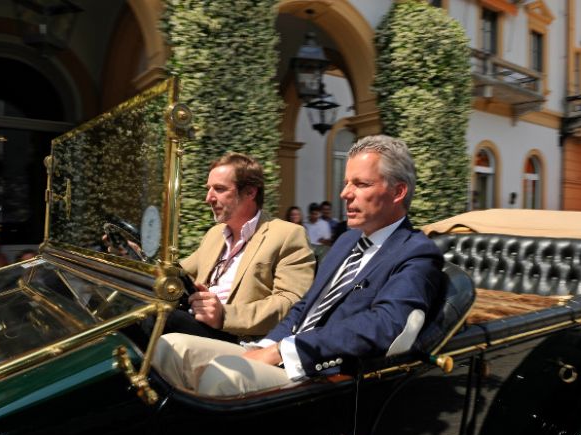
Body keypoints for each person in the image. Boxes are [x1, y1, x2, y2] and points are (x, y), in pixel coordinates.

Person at [153, 135, 446, 396]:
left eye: (361, 184)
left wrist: (283, 351)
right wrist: (265, 346)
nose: (345, 193)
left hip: (323, 374)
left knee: (224, 376)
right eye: (346, 182)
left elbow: (384, 325)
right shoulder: (347, 241)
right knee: (170, 348)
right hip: (281, 351)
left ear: (398, 192)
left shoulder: (417, 253)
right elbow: (304, 306)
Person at [159, 152, 316, 343]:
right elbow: (179, 272)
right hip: (198, 325)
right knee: (147, 310)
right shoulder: (215, 234)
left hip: (241, 339)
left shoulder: (288, 235)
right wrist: (138, 258)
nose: (208, 198)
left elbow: (292, 303)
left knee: (160, 318)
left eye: (219, 189)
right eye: (209, 189)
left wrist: (224, 315)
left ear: (250, 192)